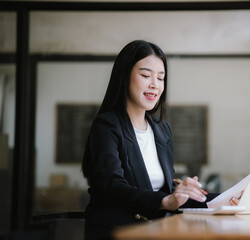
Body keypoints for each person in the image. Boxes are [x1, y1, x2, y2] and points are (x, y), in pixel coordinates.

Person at [81, 40, 218, 240]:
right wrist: (165, 201)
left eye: (161, 78)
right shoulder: (107, 125)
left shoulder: (162, 129)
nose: (155, 84)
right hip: (116, 232)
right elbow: (112, 186)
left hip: (154, 231)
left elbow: (162, 189)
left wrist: (187, 192)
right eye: (145, 75)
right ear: (124, 76)